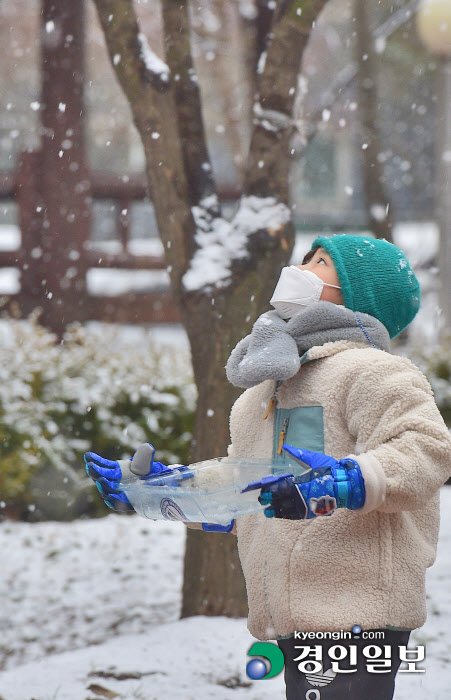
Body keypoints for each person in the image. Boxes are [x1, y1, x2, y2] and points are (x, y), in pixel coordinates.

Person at [86, 234, 451, 700]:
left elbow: (425, 450)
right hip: (293, 611)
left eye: (320, 262)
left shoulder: (374, 372)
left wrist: (343, 482)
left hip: (359, 608)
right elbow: (247, 485)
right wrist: (159, 491)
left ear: (360, 294)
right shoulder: (269, 388)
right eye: (307, 257)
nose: (301, 268)